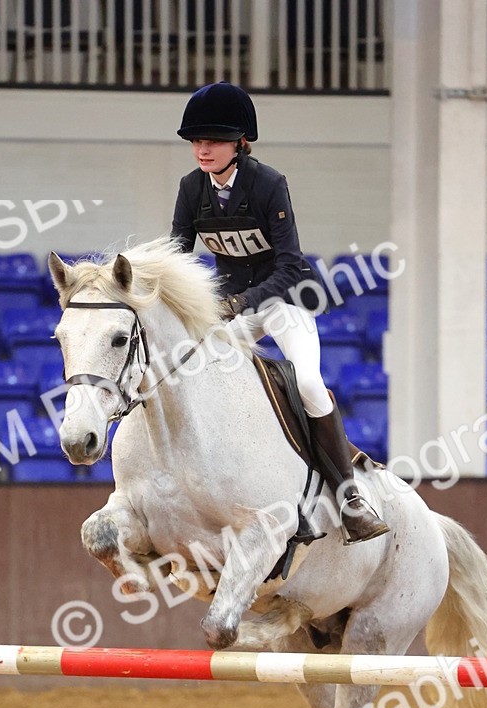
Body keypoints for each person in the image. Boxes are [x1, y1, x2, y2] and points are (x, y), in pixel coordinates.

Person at [170, 80, 389, 544]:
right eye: (197, 141)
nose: (203, 149)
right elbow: (178, 259)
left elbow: (292, 265)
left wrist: (242, 302)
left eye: (213, 141)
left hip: (282, 300)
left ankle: (349, 497)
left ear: (240, 143)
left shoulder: (269, 184)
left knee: (308, 382)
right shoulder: (191, 189)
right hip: (230, 309)